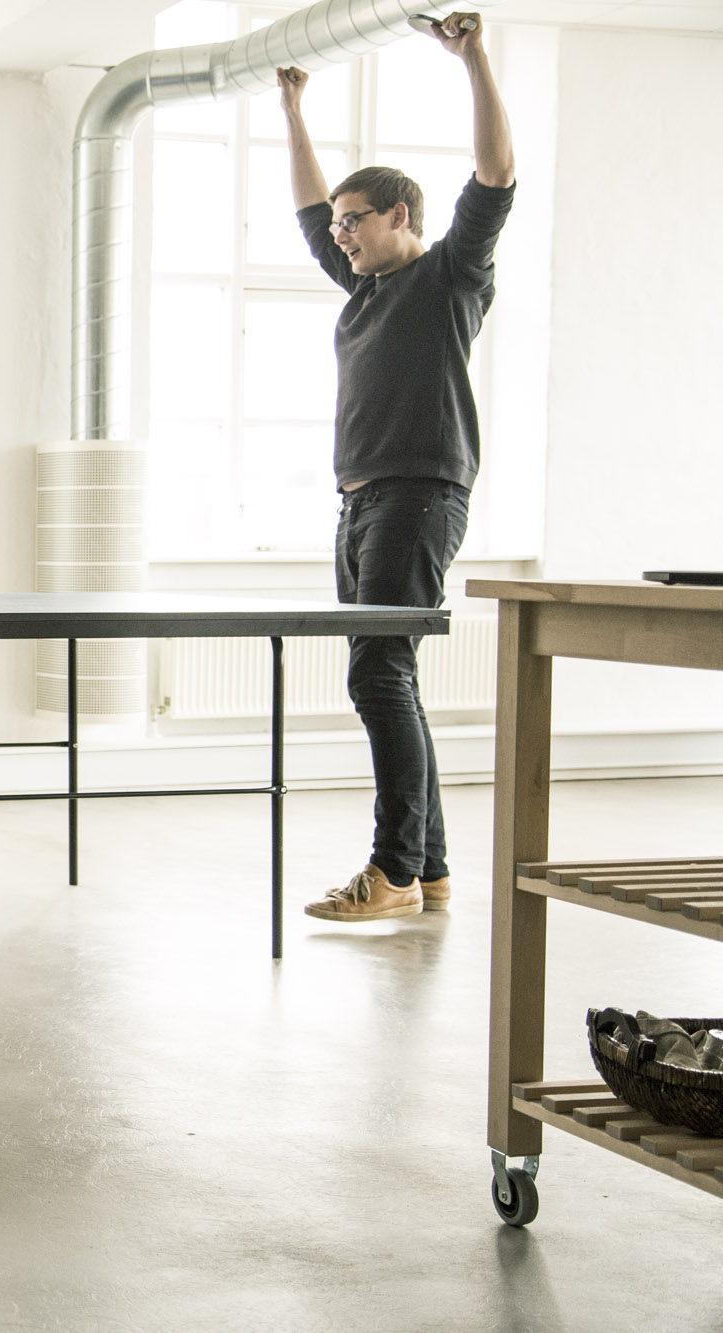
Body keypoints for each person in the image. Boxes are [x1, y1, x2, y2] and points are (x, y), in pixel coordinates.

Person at [277, 15, 515, 924]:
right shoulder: (363, 289)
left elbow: (494, 175)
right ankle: (434, 870)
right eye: (336, 225)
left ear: (399, 216)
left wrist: (473, 60)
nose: (338, 236)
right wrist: (294, 106)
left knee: (377, 676)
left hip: (419, 496)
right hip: (361, 506)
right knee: (391, 677)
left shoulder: (450, 274)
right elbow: (307, 210)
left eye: (353, 222)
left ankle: (393, 869)